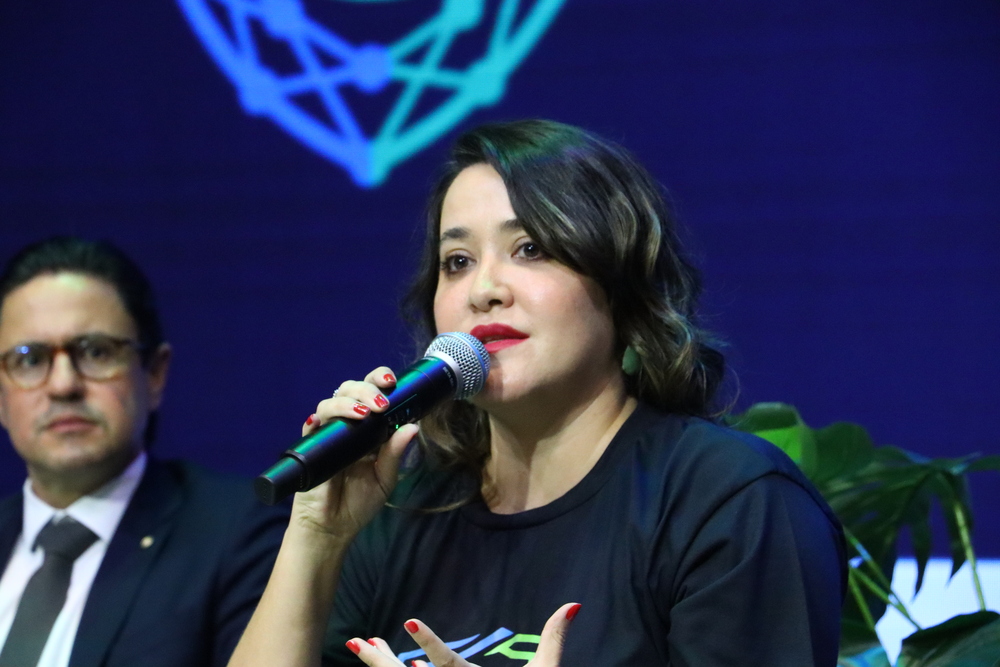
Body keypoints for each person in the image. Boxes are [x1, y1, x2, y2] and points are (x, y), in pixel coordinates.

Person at [229, 120, 847, 667]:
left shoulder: (729, 498)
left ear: (619, 285)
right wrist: (317, 539)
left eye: (530, 249)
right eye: (457, 261)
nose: (484, 290)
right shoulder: (402, 515)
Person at [0, 237, 288, 667]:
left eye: (96, 352)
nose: (63, 385)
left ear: (154, 373)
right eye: (29, 359)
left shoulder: (237, 532)